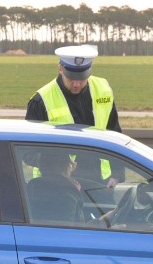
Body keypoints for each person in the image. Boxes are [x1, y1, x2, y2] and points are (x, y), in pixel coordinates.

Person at [26, 44, 124, 189]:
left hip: (100, 182)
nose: (76, 83)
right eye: (71, 78)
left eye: (82, 78)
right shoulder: (41, 101)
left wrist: (117, 173)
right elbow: (29, 152)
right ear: (60, 69)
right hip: (55, 185)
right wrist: (60, 166)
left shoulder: (103, 89)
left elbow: (114, 133)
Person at [25, 149, 85, 225]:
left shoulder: (32, 186)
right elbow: (67, 231)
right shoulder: (67, 194)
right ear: (66, 166)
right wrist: (100, 222)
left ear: (41, 166)